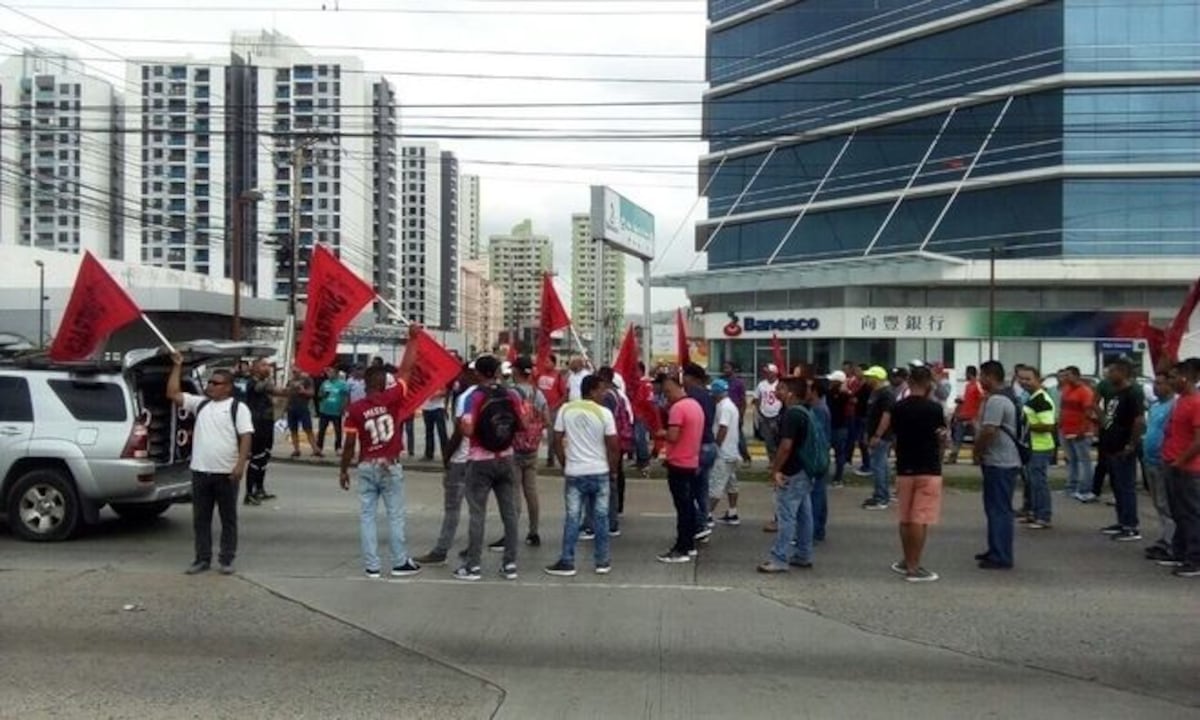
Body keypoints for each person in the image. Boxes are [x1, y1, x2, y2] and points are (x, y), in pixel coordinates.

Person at [339, 325, 423, 579]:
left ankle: (372, 566)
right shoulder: (393, 397)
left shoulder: (355, 410)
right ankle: (399, 562)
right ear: (383, 383)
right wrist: (413, 340)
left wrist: (343, 469)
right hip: (390, 463)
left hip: (366, 464)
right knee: (395, 516)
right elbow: (406, 370)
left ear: (365, 384)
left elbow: (350, 444)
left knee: (367, 517)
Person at [167, 356, 254, 576]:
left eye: (216, 383)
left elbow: (246, 436)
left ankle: (226, 559)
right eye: (210, 382)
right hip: (201, 472)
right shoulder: (201, 404)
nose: (210, 386)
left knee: (228, 518)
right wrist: (177, 366)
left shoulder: (238, 408)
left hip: (226, 473)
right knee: (201, 519)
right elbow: (172, 394)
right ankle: (201, 558)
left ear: (228, 387)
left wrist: (240, 465)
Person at [455, 355, 523, 581]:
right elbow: (521, 424)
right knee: (510, 514)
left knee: (477, 514)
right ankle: (510, 564)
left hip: (479, 459)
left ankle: (473, 565)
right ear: (495, 372)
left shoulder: (474, 397)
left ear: (478, 373)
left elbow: (467, 429)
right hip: (506, 457)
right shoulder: (511, 394)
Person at [544, 375, 620, 577]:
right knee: (601, 518)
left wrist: (564, 462)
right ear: (593, 390)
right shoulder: (604, 413)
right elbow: (614, 446)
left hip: (575, 473)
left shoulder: (566, 410)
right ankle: (602, 561)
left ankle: (567, 560)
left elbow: (557, 439)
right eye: (602, 389)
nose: (604, 394)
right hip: (599, 471)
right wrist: (612, 471)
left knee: (572, 518)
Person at [414, 362, 478, 567]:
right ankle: (474, 548)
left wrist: (447, 457)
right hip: (480, 459)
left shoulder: (467, 397)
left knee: (452, 508)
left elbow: (460, 431)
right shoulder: (492, 395)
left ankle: (441, 550)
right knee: (478, 508)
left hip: (461, 459)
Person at [889, 365, 947, 582]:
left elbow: (894, 436)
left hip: (905, 466)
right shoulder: (934, 409)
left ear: (910, 382)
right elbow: (941, 436)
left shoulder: (899, 407)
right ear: (929, 384)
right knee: (919, 518)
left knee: (905, 517)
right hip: (928, 466)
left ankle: (906, 559)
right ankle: (914, 567)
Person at [758, 377, 817, 573]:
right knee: (804, 514)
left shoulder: (792, 414)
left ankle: (779, 558)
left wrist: (775, 470)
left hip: (792, 471)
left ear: (790, 393)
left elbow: (785, 446)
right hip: (805, 470)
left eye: (780, 388)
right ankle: (803, 554)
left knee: (786, 516)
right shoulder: (805, 412)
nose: (776, 392)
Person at [973, 360, 1021, 570]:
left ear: (990, 377)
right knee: (994, 508)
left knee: (999, 509)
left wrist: (977, 451)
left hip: (1000, 462)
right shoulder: (1005, 397)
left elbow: (989, 430)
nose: (980, 381)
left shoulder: (997, 400)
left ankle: (1001, 554)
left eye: (982, 376)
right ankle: (995, 548)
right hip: (1002, 460)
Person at [656, 373, 704, 564]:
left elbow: (674, 436)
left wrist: (662, 433)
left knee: (682, 508)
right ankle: (690, 544)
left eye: (667, 391)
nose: (666, 395)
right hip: (692, 461)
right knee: (689, 506)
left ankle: (681, 548)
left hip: (678, 463)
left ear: (676, 387)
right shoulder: (695, 405)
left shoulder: (677, 409)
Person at [1096, 358, 1146, 542]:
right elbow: (1109, 419)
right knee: (1117, 486)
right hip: (1111, 444)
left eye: (1112, 371)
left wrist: (1131, 445)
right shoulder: (1116, 393)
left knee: (1126, 487)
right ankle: (1122, 521)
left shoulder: (1133, 392)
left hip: (1124, 446)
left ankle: (1131, 526)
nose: (1108, 374)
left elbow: (1139, 420)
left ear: (1123, 373)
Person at [504, 355, 549, 548]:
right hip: (532, 448)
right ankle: (533, 531)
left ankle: (511, 533)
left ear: (515, 371)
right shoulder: (537, 394)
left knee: (514, 492)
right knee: (531, 491)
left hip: (514, 448)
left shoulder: (510, 393)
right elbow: (546, 419)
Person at [1161, 360, 1200, 578]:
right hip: (1171, 464)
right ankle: (1180, 552)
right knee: (1178, 512)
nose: (1171, 381)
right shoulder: (1181, 401)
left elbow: (1198, 440)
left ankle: (1195, 559)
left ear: (1186, 377)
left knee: (1192, 513)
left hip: (1188, 468)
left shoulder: (1196, 402)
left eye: (1175, 377)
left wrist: (1181, 460)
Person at [1142, 370, 1177, 563]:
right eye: (1155, 383)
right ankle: (1164, 537)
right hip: (1150, 460)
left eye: (1161, 383)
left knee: (1167, 504)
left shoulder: (1174, 405)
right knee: (1158, 503)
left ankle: (1172, 542)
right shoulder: (1155, 406)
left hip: (1164, 460)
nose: (1156, 386)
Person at [1018, 366, 1056, 530]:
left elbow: (1047, 425)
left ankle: (1043, 516)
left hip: (1040, 446)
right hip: (1030, 446)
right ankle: (1033, 512)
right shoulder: (1031, 397)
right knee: (1031, 482)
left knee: (1039, 482)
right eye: (1021, 379)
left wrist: (1027, 426)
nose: (1024, 382)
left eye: (1028, 379)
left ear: (1038, 379)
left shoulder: (1042, 400)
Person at [681, 362, 717, 537]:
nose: (682, 379)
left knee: (689, 489)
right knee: (702, 487)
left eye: (684, 376)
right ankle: (705, 519)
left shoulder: (693, 396)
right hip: (709, 444)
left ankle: (699, 523)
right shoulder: (708, 395)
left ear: (691, 377)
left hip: (699, 445)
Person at [243, 357, 281, 506]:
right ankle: (249, 493)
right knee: (256, 458)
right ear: (255, 368)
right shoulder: (252, 383)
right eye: (264, 365)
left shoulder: (265, 384)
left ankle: (260, 489)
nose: (267, 367)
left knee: (265, 457)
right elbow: (261, 388)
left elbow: (275, 397)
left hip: (267, 423)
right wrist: (270, 376)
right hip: (257, 424)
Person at [1058, 366, 1096, 500]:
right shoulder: (1066, 390)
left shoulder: (1085, 391)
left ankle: (1085, 489)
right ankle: (1071, 487)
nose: (1065, 378)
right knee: (1071, 460)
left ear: (1076, 375)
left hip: (1081, 432)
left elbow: (1088, 412)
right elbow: (1062, 408)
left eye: (1068, 375)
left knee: (1083, 461)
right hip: (1066, 430)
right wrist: (1060, 425)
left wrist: (1083, 429)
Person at [861, 365, 895, 511]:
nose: (867, 379)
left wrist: (877, 435)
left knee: (878, 465)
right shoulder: (876, 392)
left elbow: (886, 416)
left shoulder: (886, 394)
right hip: (874, 433)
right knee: (881, 465)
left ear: (877, 378)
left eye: (870, 377)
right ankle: (881, 494)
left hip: (881, 436)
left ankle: (881, 497)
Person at [709, 378, 741, 525]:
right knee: (731, 483)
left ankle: (707, 514)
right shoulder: (730, 405)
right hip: (732, 452)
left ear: (717, 392)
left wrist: (716, 446)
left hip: (724, 452)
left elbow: (723, 427)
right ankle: (733, 512)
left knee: (716, 484)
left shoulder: (724, 407)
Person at [807, 379, 832, 544]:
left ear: (815, 391)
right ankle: (819, 529)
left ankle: (813, 531)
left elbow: (817, 436)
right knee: (819, 493)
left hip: (817, 457)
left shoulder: (818, 410)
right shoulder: (820, 407)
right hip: (822, 456)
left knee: (815, 495)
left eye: (809, 389)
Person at [948, 366, 982, 464]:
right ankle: (953, 457)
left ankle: (977, 458)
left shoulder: (977, 385)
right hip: (964, 416)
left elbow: (981, 399)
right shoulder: (968, 386)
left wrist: (977, 416)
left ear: (969, 373)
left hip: (973, 417)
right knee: (957, 437)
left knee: (976, 439)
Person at [825, 370, 853, 487]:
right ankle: (836, 477)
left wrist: (845, 388)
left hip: (838, 426)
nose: (830, 382)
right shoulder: (833, 392)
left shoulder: (841, 394)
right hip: (837, 426)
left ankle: (837, 477)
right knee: (837, 453)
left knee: (837, 453)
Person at [286, 368, 319, 458]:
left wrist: (304, 391)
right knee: (293, 430)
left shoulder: (307, 380)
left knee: (308, 429)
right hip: (291, 408)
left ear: (300, 371)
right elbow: (287, 393)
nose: (294, 373)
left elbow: (312, 393)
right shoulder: (290, 381)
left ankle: (315, 449)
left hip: (303, 407)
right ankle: (296, 450)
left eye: (296, 371)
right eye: (293, 371)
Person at [752, 363, 784, 460]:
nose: (766, 374)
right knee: (768, 440)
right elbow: (757, 398)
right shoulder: (761, 384)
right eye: (765, 372)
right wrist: (758, 411)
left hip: (777, 415)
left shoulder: (780, 384)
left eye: (768, 372)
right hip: (764, 416)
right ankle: (771, 460)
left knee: (778, 439)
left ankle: (779, 459)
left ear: (774, 373)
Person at [316, 367, 350, 455]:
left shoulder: (342, 384)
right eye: (328, 373)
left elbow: (346, 396)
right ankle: (319, 447)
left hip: (336, 410)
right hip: (324, 410)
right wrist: (323, 395)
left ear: (336, 374)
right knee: (321, 430)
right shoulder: (325, 383)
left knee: (338, 430)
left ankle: (338, 447)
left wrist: (343, 407)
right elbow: (319, 394)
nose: (329, 374)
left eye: (331, 372)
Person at [852, 366, 874, 475]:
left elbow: (860, 399)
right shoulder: (861, 385)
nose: (856, 373)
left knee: (863, 442)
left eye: (858, 371)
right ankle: (866, 463)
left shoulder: (868, 387)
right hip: (859, 415)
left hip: (864, 417)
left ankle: (868, 465)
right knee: (861, 442)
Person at [420, 384, 450, 462]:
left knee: (442, 432)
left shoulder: (438, 380)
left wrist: (436, 394)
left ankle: (446, 454)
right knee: (428, 432)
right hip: (426, 408)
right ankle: (428, 454)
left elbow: (445, 392)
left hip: (438, 408)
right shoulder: (423, 381)